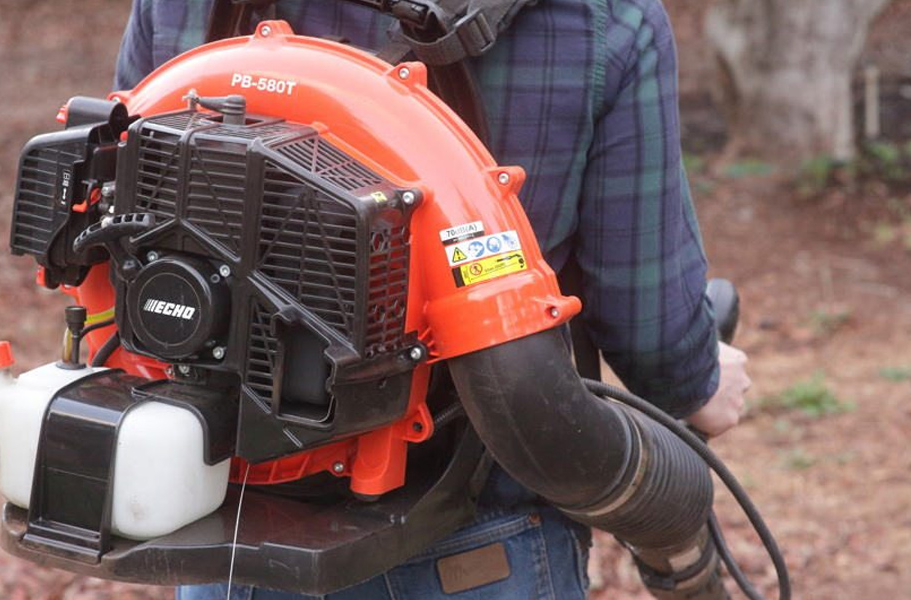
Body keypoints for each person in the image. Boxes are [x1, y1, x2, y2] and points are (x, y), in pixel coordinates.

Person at [113, 1, 751, 598]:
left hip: (229, 521)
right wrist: (697, 381)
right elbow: (647, 323)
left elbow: (125, 200)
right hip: (481, 529)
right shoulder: (602, 17)